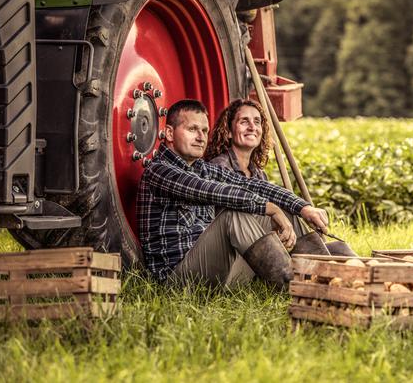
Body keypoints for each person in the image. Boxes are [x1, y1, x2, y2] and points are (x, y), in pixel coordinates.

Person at [136, 99, 329, 289]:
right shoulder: (159, 171)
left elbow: (252, 185)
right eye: (192, 129)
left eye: (204, 131)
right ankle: (293, 286)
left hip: (217, 271)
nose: (201, 137)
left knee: (289, 212)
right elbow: (210, 191)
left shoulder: (202, 168)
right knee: (233, 215)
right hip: (177, 278)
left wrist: (302, 206)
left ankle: (330, 276)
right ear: (170, 133)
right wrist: (269, 208)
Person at [204, 98, 357, 257]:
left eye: (257, 122)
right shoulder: (219, 166)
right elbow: (243, 208)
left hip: (258, 246)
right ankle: (320, 265)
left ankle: (328, 261)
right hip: (230, 251)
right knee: (286, 211)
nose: (252, 127)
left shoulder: (258, 173)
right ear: (228, 131)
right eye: (244, 121)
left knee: (337, 248)